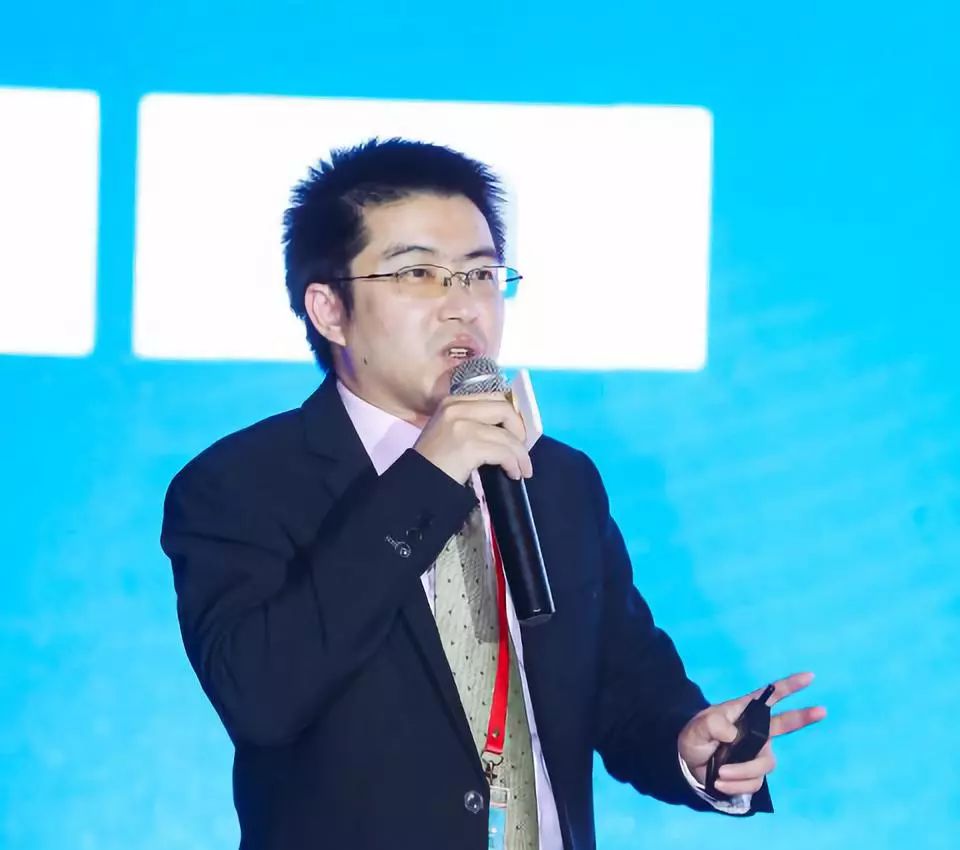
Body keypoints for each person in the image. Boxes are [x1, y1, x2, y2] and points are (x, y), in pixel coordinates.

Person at [161, 138, 825, 850]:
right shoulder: (240, 484)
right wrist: (427, 477)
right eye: (419, 273)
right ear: (329, 310)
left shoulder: (556, 477)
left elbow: (624, 689)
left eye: (481, 274)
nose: (463, 307)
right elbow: (262, 695)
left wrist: (690, 747)